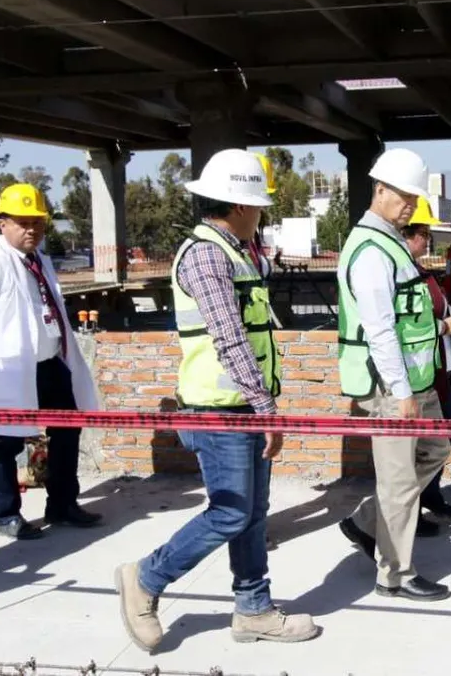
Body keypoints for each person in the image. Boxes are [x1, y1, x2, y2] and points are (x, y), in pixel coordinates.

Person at [114, 148, 319, 652]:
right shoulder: (207, 255)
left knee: (252, 513)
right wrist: (266, 407)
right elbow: (229, 338)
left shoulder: (236, 251)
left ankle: (253, 609)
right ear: (241, 205)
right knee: (230, 512)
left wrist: (263, 404)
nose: (262, 214)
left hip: (243, 404)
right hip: (219, 408)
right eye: (259, 205)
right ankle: (146, 577)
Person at [336, 147, 451, 603]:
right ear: (380, 189)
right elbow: (381, 328)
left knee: (437, 448)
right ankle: (395, 575)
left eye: (415, 198)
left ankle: (368, 522)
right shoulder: (370, 250)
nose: (410, 205)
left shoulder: (392, 243)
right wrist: (402, 391)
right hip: (392, 387)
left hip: (417, 381)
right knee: (400, 482)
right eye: (404, 196)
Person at [0, 183, 101, 540]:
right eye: (23, 222)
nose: (32, 229)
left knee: (67, 428)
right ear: (3, 224)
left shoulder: (40, 261)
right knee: (6, 442)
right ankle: (5, 514)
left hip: (49, 363)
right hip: (10, 369)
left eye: (37, 222)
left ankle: (62, 503)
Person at [402, 198, 451, 528]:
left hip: (438, 369)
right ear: (407, 234)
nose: (429, 240)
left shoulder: (421, 272)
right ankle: (409, 511)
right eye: (425, 234)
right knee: (420, 445)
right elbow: (407, 325)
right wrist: (443, 327)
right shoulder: (402, 274)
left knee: (446, 430)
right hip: (418, 375)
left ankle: (429, 493)